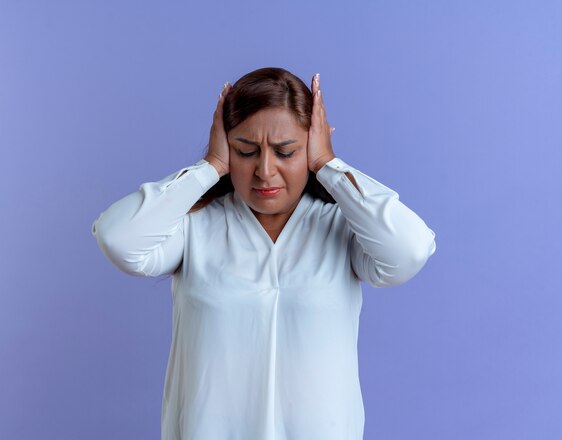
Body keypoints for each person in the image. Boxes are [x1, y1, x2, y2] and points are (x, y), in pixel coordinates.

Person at [91, 67, 436, 440]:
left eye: (286, 151)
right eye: (246, 151)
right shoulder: (195, 227)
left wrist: (328, 166)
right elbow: (118, 239)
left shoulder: (341, 227)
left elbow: (410, 250)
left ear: (312, 144)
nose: (265, 170)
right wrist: (210, 168)